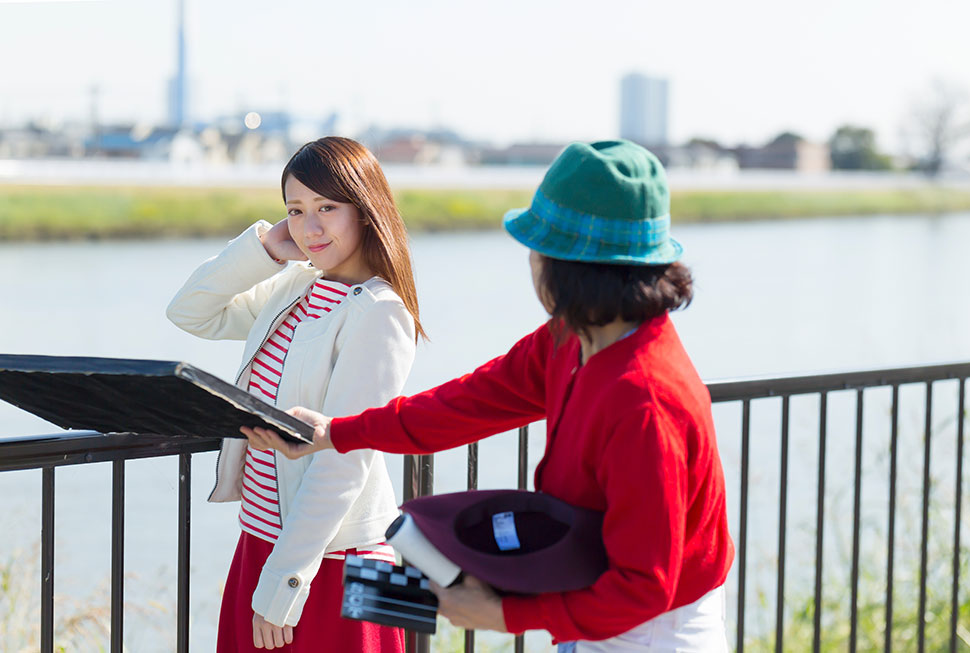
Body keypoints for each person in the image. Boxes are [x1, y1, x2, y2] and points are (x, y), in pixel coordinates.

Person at [243, 139, 734, 651]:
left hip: (653, 630)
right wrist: (337, 433)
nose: (530, 264)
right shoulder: (571, 338)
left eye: (536, 249)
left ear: (565, 267)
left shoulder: (645, 401)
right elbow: (468, 403)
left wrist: (506, 613)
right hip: (592, 595)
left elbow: (645, 587)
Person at [167, 136, 424, 652]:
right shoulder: (295, 288)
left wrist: (284, 581)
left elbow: (345, 456)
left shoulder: (380, 310)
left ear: (366, 210)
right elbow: (188, 311)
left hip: (340, 560)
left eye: (328, 207)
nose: (310, 226)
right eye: (296, 210)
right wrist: (263, 249)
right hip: (262, 541)